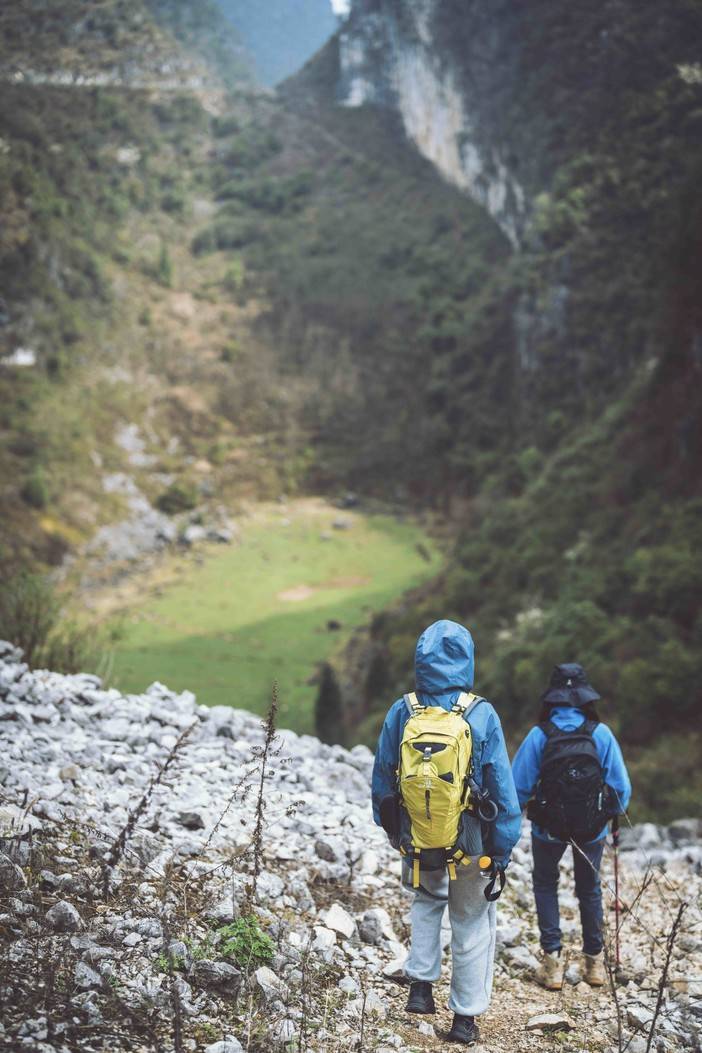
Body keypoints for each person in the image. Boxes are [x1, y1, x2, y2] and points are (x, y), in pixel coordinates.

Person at [371, 620, 521, 1046]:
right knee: (471, 921)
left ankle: (420, 987)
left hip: (417, 832)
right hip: (471, 840)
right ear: (468, 660)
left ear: (420, 658)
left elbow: (383, 776)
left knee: (426, 900)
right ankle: (464, 1019)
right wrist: (502, 848)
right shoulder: (480, 713)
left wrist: (395, 831)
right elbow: (502, 787)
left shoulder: (403, 710)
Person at [511, 663, 631, 990]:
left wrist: (509, 822)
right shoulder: (600, 734)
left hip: (547, 828)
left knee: (545, 885)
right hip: (592, 828)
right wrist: (608, 814)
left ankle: (552, 964)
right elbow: (621, 788)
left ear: (552, 697)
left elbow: (517, 788)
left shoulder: (540, 735)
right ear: (585, 697)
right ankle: (594, 964)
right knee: (589, 889)